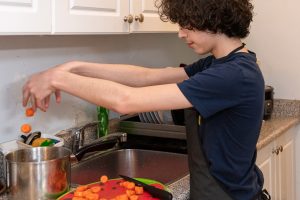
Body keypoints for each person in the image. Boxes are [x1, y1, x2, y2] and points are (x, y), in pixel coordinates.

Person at [22, 0, 270, 199]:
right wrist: (76, 67)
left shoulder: (232, 75)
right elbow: (147, 76)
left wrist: (58, 79)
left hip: (228, 194)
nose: (181, 34)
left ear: (213, 19)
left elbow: (126, 100)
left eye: (186, 25)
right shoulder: (223, 63)